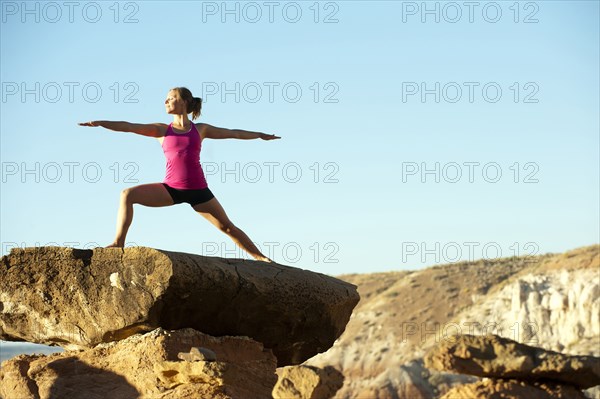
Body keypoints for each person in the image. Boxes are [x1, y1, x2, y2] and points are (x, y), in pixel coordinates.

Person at [78, 86, 280, 263]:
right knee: (127, 195)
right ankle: (118, 242)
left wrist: (260, 136)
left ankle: (260, 257)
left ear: (185, 101)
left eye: (171, 97)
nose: (166, 101)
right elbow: (128, 126)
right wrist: (100, 122)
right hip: (171, 189)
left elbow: (233, 133)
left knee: (227, 227)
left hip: (199, 191)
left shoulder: (200, 129)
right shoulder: (161, 130)